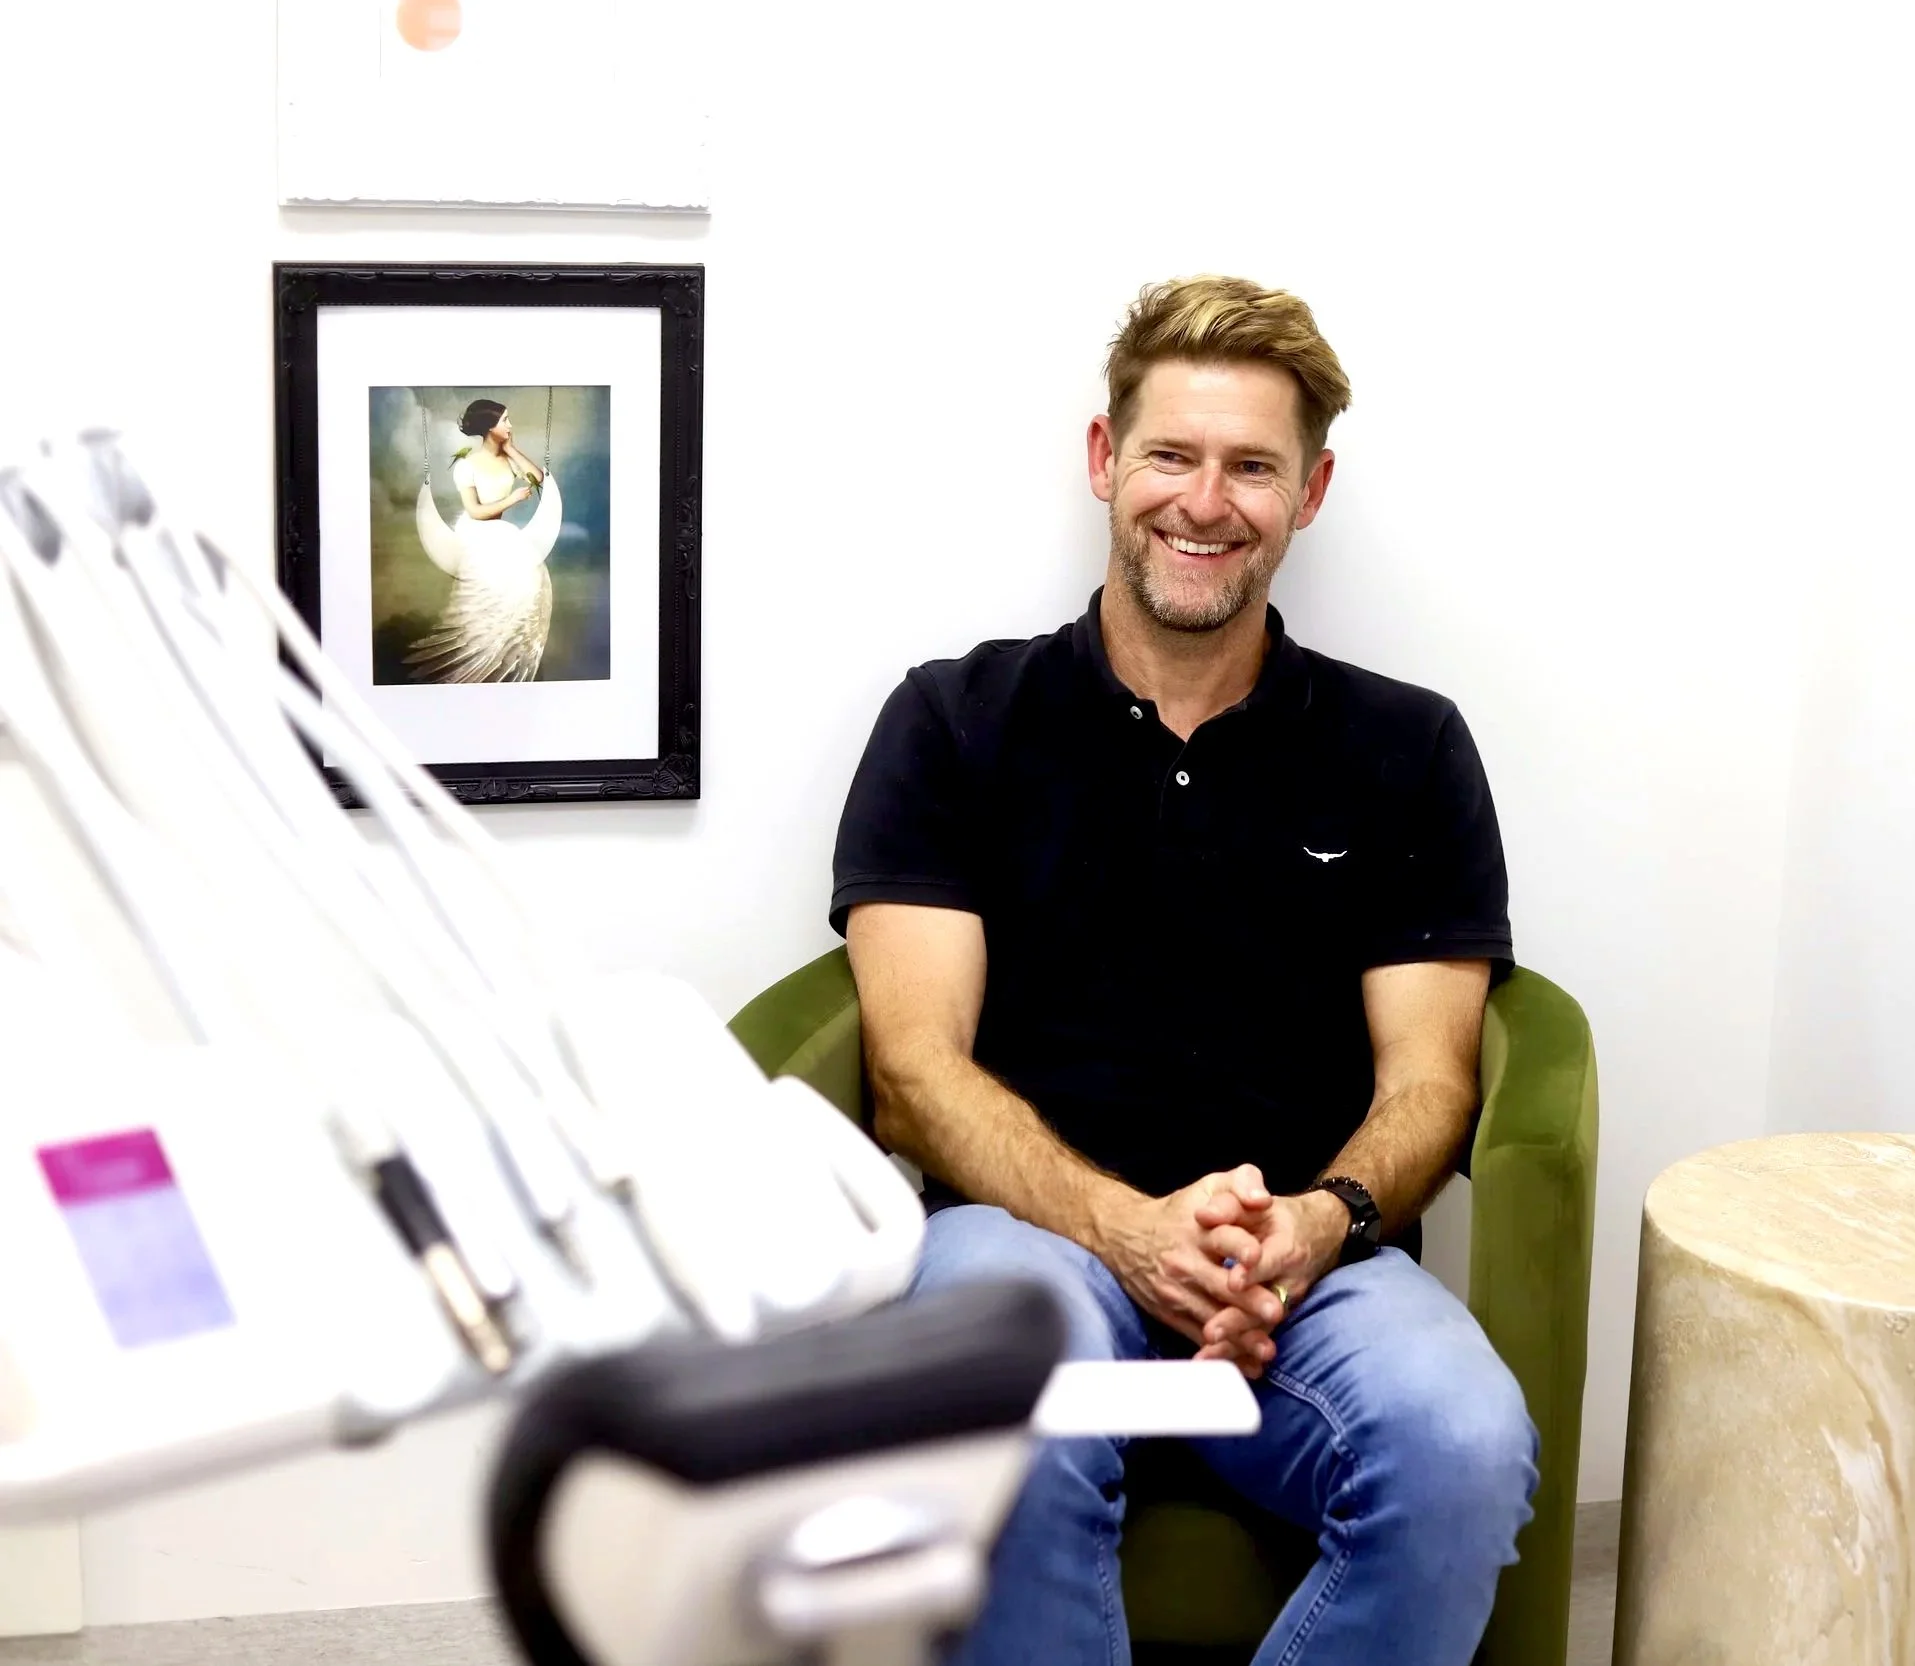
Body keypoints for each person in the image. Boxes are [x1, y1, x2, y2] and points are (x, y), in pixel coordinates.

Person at [830, 276, 1539, 1666]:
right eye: (1170, 455)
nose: (1203, 503)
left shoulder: (1407, 746)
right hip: (1025, 1235)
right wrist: (1124, 1230)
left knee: (1462, 1441)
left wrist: (1317, 1221)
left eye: (1250, 467)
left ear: (1307, 491)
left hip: (1302, 1275)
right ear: (1105, 460)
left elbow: (1429, 1079)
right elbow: (914, 1078)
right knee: (996, 1405)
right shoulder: (951, 721)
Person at [408, 397, 561, 684]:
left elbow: (539, 479)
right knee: (514, 592)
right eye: (505, 421)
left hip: (499, 536)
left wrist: (512, 449)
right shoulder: (466, 465)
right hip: (477, 533)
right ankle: (477, 655)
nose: (511, 425)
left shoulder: (507, 459)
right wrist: (512, 499)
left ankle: (506, 658)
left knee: (535, 588)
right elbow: (475, 512)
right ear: (490, 428)